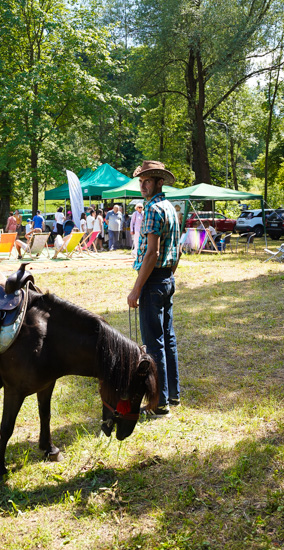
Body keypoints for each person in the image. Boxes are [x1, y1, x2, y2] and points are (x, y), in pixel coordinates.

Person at [127, 160, 181, 418]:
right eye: (141, 181)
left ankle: (159, 403)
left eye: (147, 181)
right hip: (166, 279)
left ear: (160, 182)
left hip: (153, 281)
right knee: (168, 340)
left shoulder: (152, 210)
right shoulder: (170, 207)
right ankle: (173, 394)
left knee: (153, 342)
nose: (143, 185)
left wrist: (137, 288)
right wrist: (169, 277)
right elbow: (177, 249)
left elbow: (152, 253)